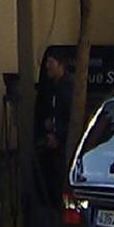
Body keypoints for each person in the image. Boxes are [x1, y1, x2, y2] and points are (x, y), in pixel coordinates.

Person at [34, 48, 74, 210]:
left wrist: (58, 133)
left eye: (51, 62)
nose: (47, 67)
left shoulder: (67, 88)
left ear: (60, 64)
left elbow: (70, 117)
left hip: (62, 150)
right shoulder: (51, 88)